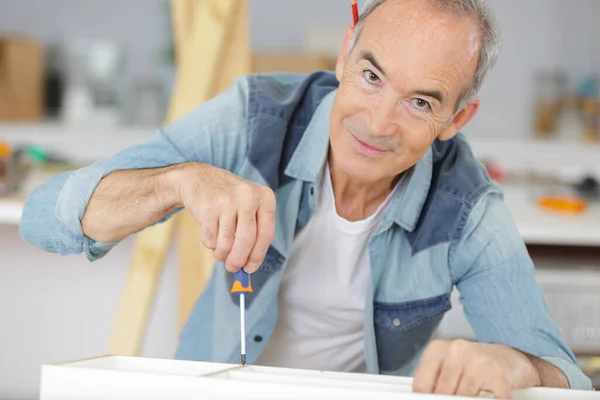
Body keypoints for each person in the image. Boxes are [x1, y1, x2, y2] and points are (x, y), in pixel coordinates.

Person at [20, 0, 593, 396]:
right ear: (345, 55)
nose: (376, 122)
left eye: (420, 102)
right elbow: (45, 219)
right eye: (371, 76)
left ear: (456, 118)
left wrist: (510, 363)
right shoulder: (253, 118)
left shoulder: (468, 209)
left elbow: (569, 379)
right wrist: (181, 180)